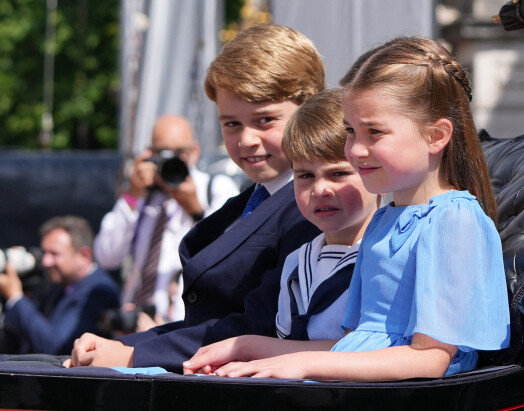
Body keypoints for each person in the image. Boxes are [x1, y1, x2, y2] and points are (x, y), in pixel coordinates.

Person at [183, 36, 511, 380]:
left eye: (374, 132)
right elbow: (355, 346)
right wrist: (249, 348)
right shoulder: (386, 219)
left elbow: (430, 359)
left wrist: (300, 364)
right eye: (352, 131)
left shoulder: (452, 220)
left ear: (436, 136)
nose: (355, 150)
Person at [65, 24, 324, 372]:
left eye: (264, 120)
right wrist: (121, 345)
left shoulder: (315, 208)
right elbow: (208, 322)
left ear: (311, 111)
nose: (246, 139)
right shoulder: (251, 201)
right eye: (231, 124)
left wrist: (132, 356)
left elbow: (260, 323)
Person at [183, 88, 379, 375]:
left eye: (338, 173)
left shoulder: (386, 255)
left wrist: (250, 349)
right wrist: (240, 355)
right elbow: (287, 343)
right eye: (305, 176)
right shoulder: (297, 263)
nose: (321, 189)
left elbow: (373, 352)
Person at [94, 114, 238, 331]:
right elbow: (107, 256)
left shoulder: (215, 189)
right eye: (162, 153)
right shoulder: (143, 196)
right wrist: (132, 196)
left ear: (195, 152)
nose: (171, 160)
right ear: (150, 154)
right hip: (131, 324)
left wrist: (196, 211)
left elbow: (231, 258)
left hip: (182, 327)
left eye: (179, 153)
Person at [0, 216, 120, 355]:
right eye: (44, 253)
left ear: (84, 255)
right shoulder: (60, 284)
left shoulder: (98, 292)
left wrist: (15, 297)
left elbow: (55, 346)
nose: (46, 262)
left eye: (54, 254)